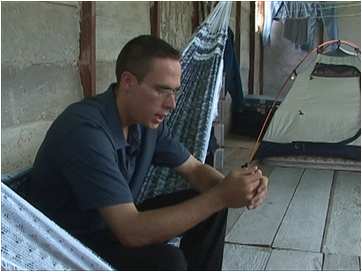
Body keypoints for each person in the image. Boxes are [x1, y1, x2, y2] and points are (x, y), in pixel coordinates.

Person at [29, 35, 268, 270]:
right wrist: (222, 196)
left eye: (174, 92)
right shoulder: (85, 130)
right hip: (66, 243)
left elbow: (194, 169)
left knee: (212, 206)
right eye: (162, 90)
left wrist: (239, 187)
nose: (172, 104)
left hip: (111, 224)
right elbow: (131, 232)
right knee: (168, 262)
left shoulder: (144, 123)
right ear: (128, 82)